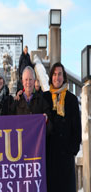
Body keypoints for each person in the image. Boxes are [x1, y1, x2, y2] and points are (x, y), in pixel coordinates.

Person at [43, 62, 81, 192]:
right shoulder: (45, 97)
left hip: (66, 156)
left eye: (59, 74)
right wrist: (21, 92)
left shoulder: (71, 99)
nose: (57, 77)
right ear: (51, 76)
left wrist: (72, 150)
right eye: (54, 74)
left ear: (64, 77)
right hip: (50, 156)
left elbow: (77, 128)